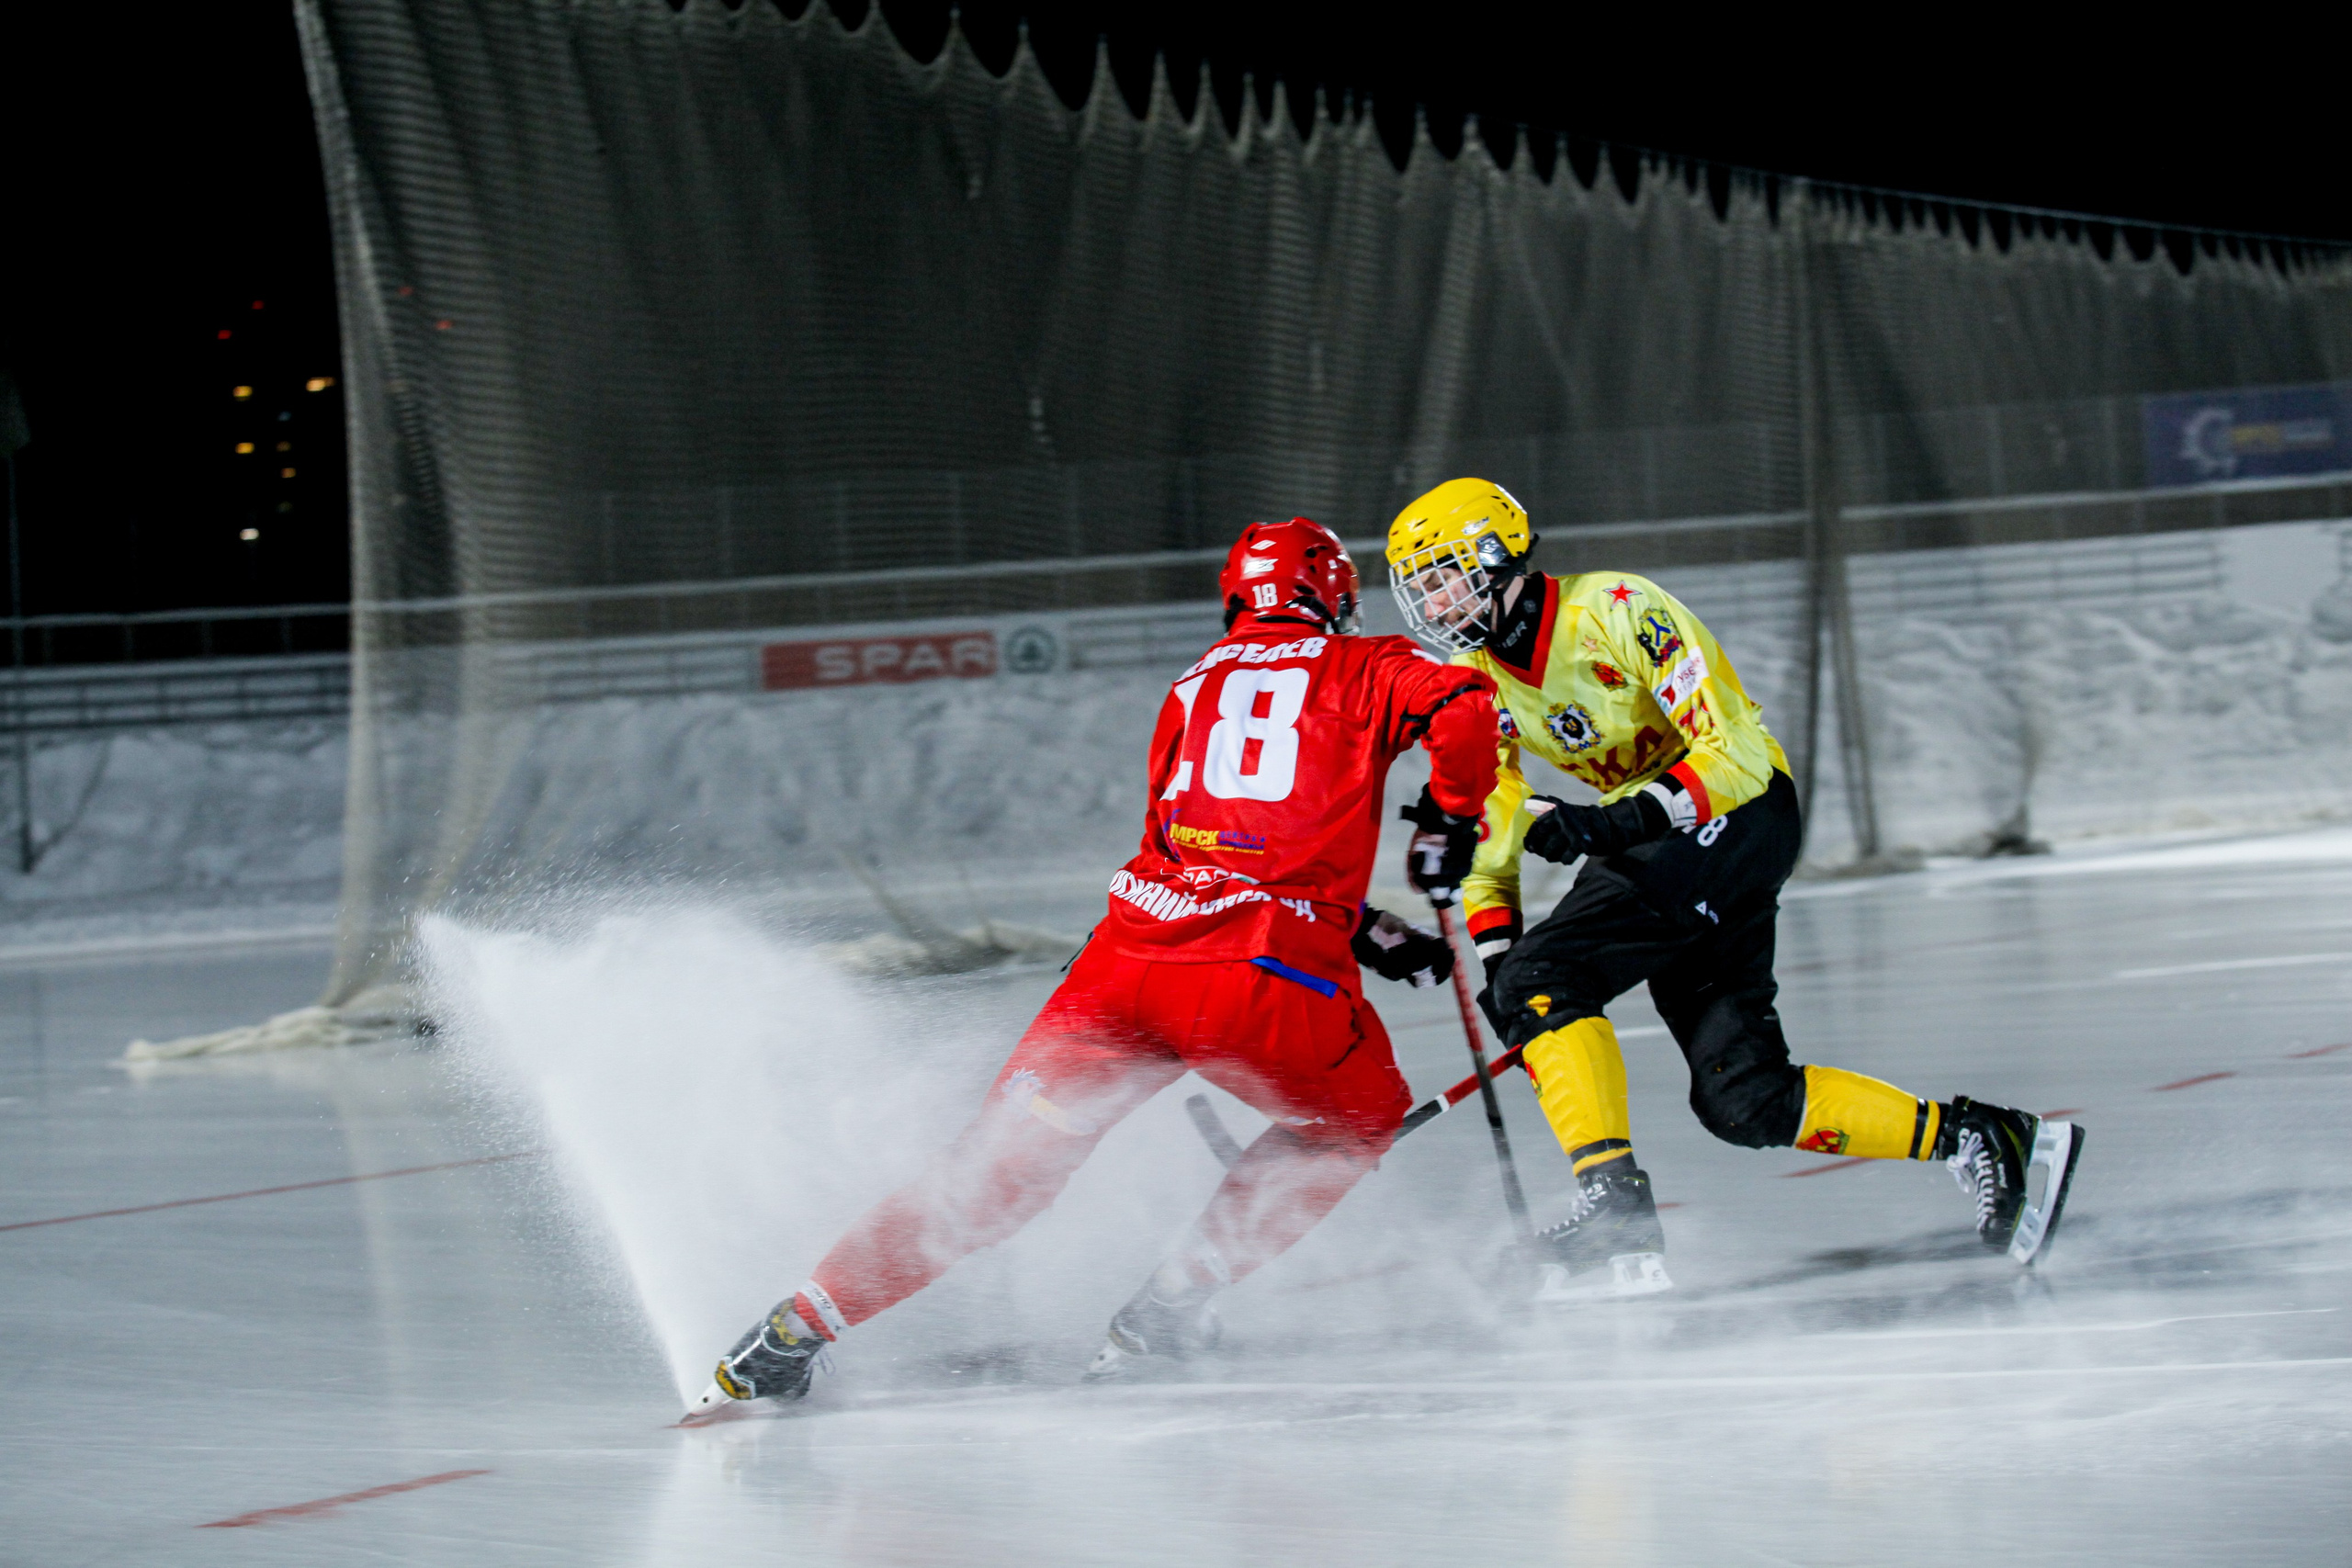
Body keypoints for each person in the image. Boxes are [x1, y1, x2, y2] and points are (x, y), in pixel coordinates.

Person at [690, 516, 1501, 1416]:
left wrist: (1371, 932)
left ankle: (799, 1326)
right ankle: (1169, 1309)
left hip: (1127, 968)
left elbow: (1203, 845)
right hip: (1263, 981)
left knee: (989, 1177)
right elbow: (1465, 707)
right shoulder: (1363, 665)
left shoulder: (1191, 686)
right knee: (1356, 1119)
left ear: (1235, 599)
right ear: (1334, 597)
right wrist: (1448, 820)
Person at [1383, 477, 2084, 1287]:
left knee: (1551, 973)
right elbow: (1490, 833)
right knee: (1745, 1101)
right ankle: (1985, 1135)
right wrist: (1503, 964)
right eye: (1420, 588)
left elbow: (1737, 754)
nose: (1433, 604)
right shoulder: (1475, 685)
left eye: (1443, 575)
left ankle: (1615, 1208)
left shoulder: (1617, 608)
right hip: (1679, 854)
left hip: (1741, 814)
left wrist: (1610, 829)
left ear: (1498, 554)